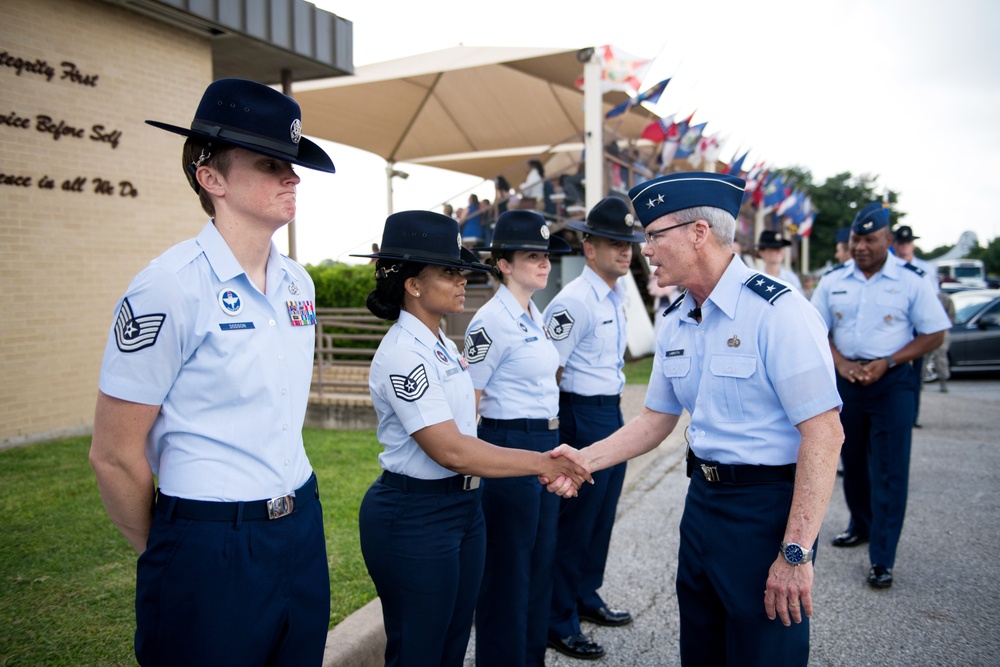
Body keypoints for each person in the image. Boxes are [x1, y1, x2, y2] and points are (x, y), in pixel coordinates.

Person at [549, 172, 846, 667]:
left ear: (698, 233)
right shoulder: (677, 319)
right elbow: (654, 420)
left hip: (766, 509)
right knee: (702, 649)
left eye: (654, 235)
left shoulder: (778, 313)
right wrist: (581, 459)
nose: (645, 249)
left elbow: (824, 432)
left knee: (765, 652)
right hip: (703, 505)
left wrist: (796, 553)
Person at [88, 78, 338, 666]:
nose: (292, 177)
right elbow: (114, 453)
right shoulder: (169, 286)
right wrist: (177, 551)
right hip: (207, 541)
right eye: (271, 163)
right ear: (213, 178)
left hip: (300, 526)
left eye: (293, 164)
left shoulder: (298, 283)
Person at [352, 211, 590, 667]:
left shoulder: (440, 340)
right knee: (420, 651)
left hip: (461, 508)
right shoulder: (404, 352)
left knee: (452, 646)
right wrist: (544, 463)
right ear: (413, 284)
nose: (462, 280)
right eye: (449, 272)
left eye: (461, 271)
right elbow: (451, 449)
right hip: (415, 515)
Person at [810, 202, 950, 589]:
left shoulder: (912, 280)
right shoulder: (833, 279)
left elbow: (934, 333)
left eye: (869, 240)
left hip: (891, 382)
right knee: (851, 461)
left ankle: (882, 558)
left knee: (889, 469)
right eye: (856, 239)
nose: (860, 247)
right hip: (847, 380)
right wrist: (838, 362)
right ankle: (861, 524)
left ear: (888, 239)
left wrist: (888, 361)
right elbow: (813, 326)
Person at [464, 210, 573, 667]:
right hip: (507, 444)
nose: (543, 264)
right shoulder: (490, 323)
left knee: (539, 564)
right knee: (508, 574)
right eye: (531, 256)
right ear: (503, 264)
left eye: (545, 256)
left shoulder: (535, 313)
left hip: (545, 445)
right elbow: (469, 399)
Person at [543, 196, 645, 661]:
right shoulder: (574, 302)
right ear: (589, 248)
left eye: (629, 243)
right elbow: (550, 371)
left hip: (610, 411)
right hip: (580, 414)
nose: (626, 251)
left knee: (600, 516)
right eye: (613, 243)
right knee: (576, 521)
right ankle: (558, 618)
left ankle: (586, 595)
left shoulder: (617, 293)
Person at [892, 225, 938, 427]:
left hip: (917, 329)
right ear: (894, 244)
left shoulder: (926, 270)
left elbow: (932, 301)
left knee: (915, 376)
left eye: (907, 243)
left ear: (912, 245)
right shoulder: (888, 267)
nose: (904, 247)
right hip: (896, 328)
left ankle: (913, 416)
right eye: (900, 243)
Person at [929, 290, 956, 392]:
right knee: (923, 358)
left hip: (941, 329)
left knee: (940, 357)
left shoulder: (944, 298)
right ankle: (920, 381)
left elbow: (951, 316)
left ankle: (943, 382)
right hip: (925, 329)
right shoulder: (923, 293)